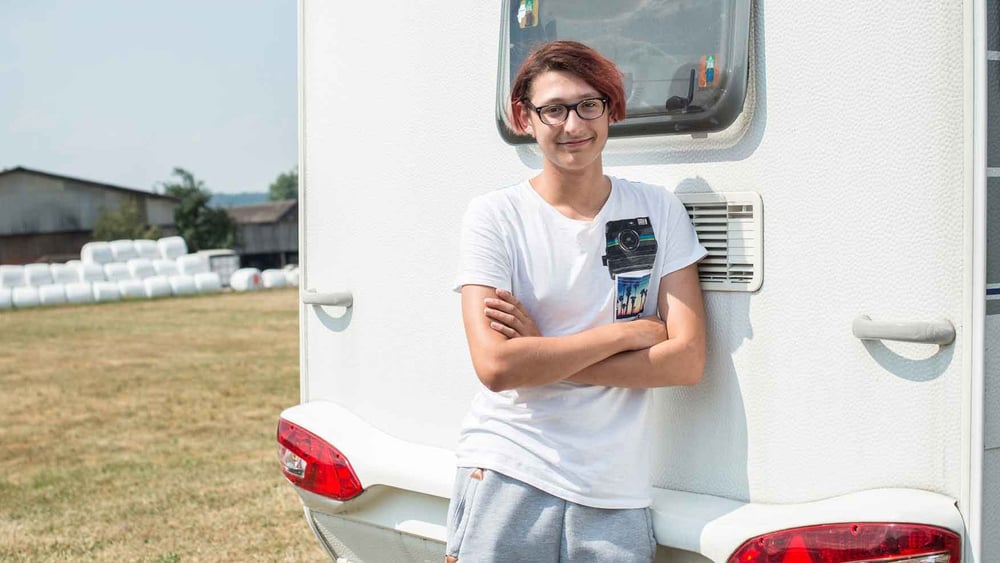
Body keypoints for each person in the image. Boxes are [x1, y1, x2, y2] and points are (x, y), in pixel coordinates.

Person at [447, 40, 707, 563]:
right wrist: (626, 334)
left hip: (617, 487)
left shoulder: (656, 209)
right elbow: (497, 366)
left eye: (590, 104)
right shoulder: (496, 217)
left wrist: (543, 355)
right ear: (525, 117)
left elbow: (686, 361)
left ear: (611, 110)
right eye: (554, 109)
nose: (574, 125)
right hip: (511, 466)